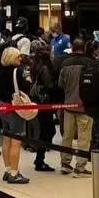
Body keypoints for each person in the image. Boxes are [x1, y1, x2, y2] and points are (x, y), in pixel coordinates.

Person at [0, 46, 32, 184]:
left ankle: (8, 170)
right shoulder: (18, 71)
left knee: (6, 138)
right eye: (18, 56)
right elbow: (26, 87)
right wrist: (28, 79)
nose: (20, 58)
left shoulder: (0, 71)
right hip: (15, 107)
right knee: (16, 140)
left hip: (2, 106)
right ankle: (15, 173)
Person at [57, 38, 94, 176]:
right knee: (84, 137)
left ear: (72, 48)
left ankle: (65, 164)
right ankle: (80, 166)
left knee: (67, 136)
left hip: (68, 105)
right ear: (84, 48)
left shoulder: (65, 63)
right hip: (85, 106)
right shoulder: (90, 63)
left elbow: (61, 84)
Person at [29, 41, 59, 172]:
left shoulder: (35, 66)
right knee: (47, 131)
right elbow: (50, 85)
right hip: (45, 101)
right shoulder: (45, 68)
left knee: (44, 130)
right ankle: (39, 160)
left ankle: (39, 158)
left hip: (38, 100)